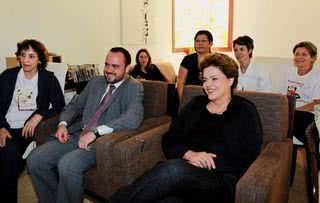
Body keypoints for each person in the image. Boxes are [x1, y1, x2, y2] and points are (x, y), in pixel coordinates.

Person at [109, 53, 263, 203]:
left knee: (173, 170)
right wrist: (190, 155)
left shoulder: (245, 110)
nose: (207, 85)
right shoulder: (195, 105)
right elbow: (169, 140)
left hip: (219, 181)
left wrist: (204, 163)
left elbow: (249, 154)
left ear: (230, 80)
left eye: (214, 79)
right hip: (183, 173)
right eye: (204, 79)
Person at [27, 47, 144, 203]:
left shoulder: (134, 87)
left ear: (127, 68)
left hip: (101, 143)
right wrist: (63, 124)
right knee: (35, 159)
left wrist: (96, 132)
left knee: (67, 165)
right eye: (107, 64)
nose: (109, 70)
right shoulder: (96, 81)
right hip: (77, 134)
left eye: (115, 66)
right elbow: (75, 105)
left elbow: (133, 117)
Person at [0, 39, 66, 203]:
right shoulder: (8, 76)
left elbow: (60, 106)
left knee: (8, 155)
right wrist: (1, 127)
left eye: (32, 56)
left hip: (26, 129)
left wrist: (39, 115)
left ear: (40, 60)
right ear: (19, 58)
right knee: (9, 158)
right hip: (6, 126)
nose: (26, 60)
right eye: (23, 55)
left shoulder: (48, 78)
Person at [283, 41, 320, 144]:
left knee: (291, 120)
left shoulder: (317, 76)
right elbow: (284, 95)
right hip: (290, 112)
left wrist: (294, 110)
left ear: (312, 58)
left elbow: (317, 103)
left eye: (304, 54)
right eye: (297, 54)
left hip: (308, 114)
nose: (299, 57)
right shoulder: (290, 72)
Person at [177, 30, 213, 101]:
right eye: (197, 41)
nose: (200, 43)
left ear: (210, 43)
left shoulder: (216, 59)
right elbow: (180, 82)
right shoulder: (187, 59)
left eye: (203, 41)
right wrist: (183, 100)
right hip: (189, 96)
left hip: (209, 96)